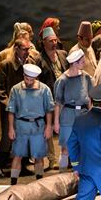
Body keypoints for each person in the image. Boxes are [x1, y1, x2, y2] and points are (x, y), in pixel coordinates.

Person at [0, 38, 39, 175]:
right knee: (8, 137)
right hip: (10, 109)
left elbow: (36, 83)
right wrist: (9, 105)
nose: (27, 52)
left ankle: (23, 165)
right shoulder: (6, 65)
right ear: (16, 49)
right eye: (24, 49)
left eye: (28, 49)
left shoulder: (31, 63)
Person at [6, 63, 54, 185]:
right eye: (27, 79)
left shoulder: (44, 89)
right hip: (21, 125)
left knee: (39, 155)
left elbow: (49, 110)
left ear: (36, 78)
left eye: (31, 80)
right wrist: (11, 128)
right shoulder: (16, 89)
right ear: (23, 75)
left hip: (38, 125)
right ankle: (13, 183)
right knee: (17, 155)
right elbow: (11, 110)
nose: (28, 82)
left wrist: (49, 126)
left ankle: (39, 182)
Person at [53, 49, 93, 170]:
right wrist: (56, 122)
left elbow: (89, 98)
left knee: (83, 146)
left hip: (83, 114)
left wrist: (91, 115)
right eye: (82, 61)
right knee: (65, 147)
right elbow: (58, 103)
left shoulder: (86, 77)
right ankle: (62, 173)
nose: (84, 63)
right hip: (68, 115)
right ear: (74, 63)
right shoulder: (62, 80)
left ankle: (81, 173)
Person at [38, 26, 67, 170]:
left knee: (65, 126)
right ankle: (52, 159)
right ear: (44, 42)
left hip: (64, 97)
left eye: (55, 40)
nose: (54, 43)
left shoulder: (62, 54)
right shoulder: (39, 59)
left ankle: (66, 156)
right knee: (48, 127)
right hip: (49, 97)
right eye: (51, 41)